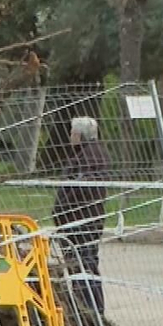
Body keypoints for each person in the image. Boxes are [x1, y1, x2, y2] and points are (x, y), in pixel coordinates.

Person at [52, 116, 111, 313]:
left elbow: (81, 187)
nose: (70, 136)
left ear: (79, 135)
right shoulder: (87, 155)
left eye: (72, 132)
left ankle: (91, 310)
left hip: (82, 221)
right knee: (80, 265)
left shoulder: (90, 157)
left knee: (84, 264)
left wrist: (63, 205)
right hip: (79, 220)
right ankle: (85, 309)